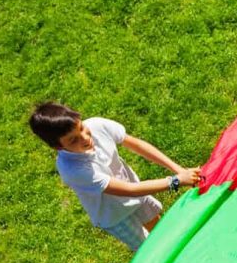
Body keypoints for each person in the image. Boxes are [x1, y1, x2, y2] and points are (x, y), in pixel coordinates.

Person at [28, 102, 201, 251]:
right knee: (149, 248)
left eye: (81, 127)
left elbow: (137, 145)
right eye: (73, 140)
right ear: (58, 147)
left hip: (139, 194)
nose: (85, 138)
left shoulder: (97, 125)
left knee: (160, 227)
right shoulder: (73, 170)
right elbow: (129, 190)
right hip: (115, 216)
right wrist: (176, 181)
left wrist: (178, 169)